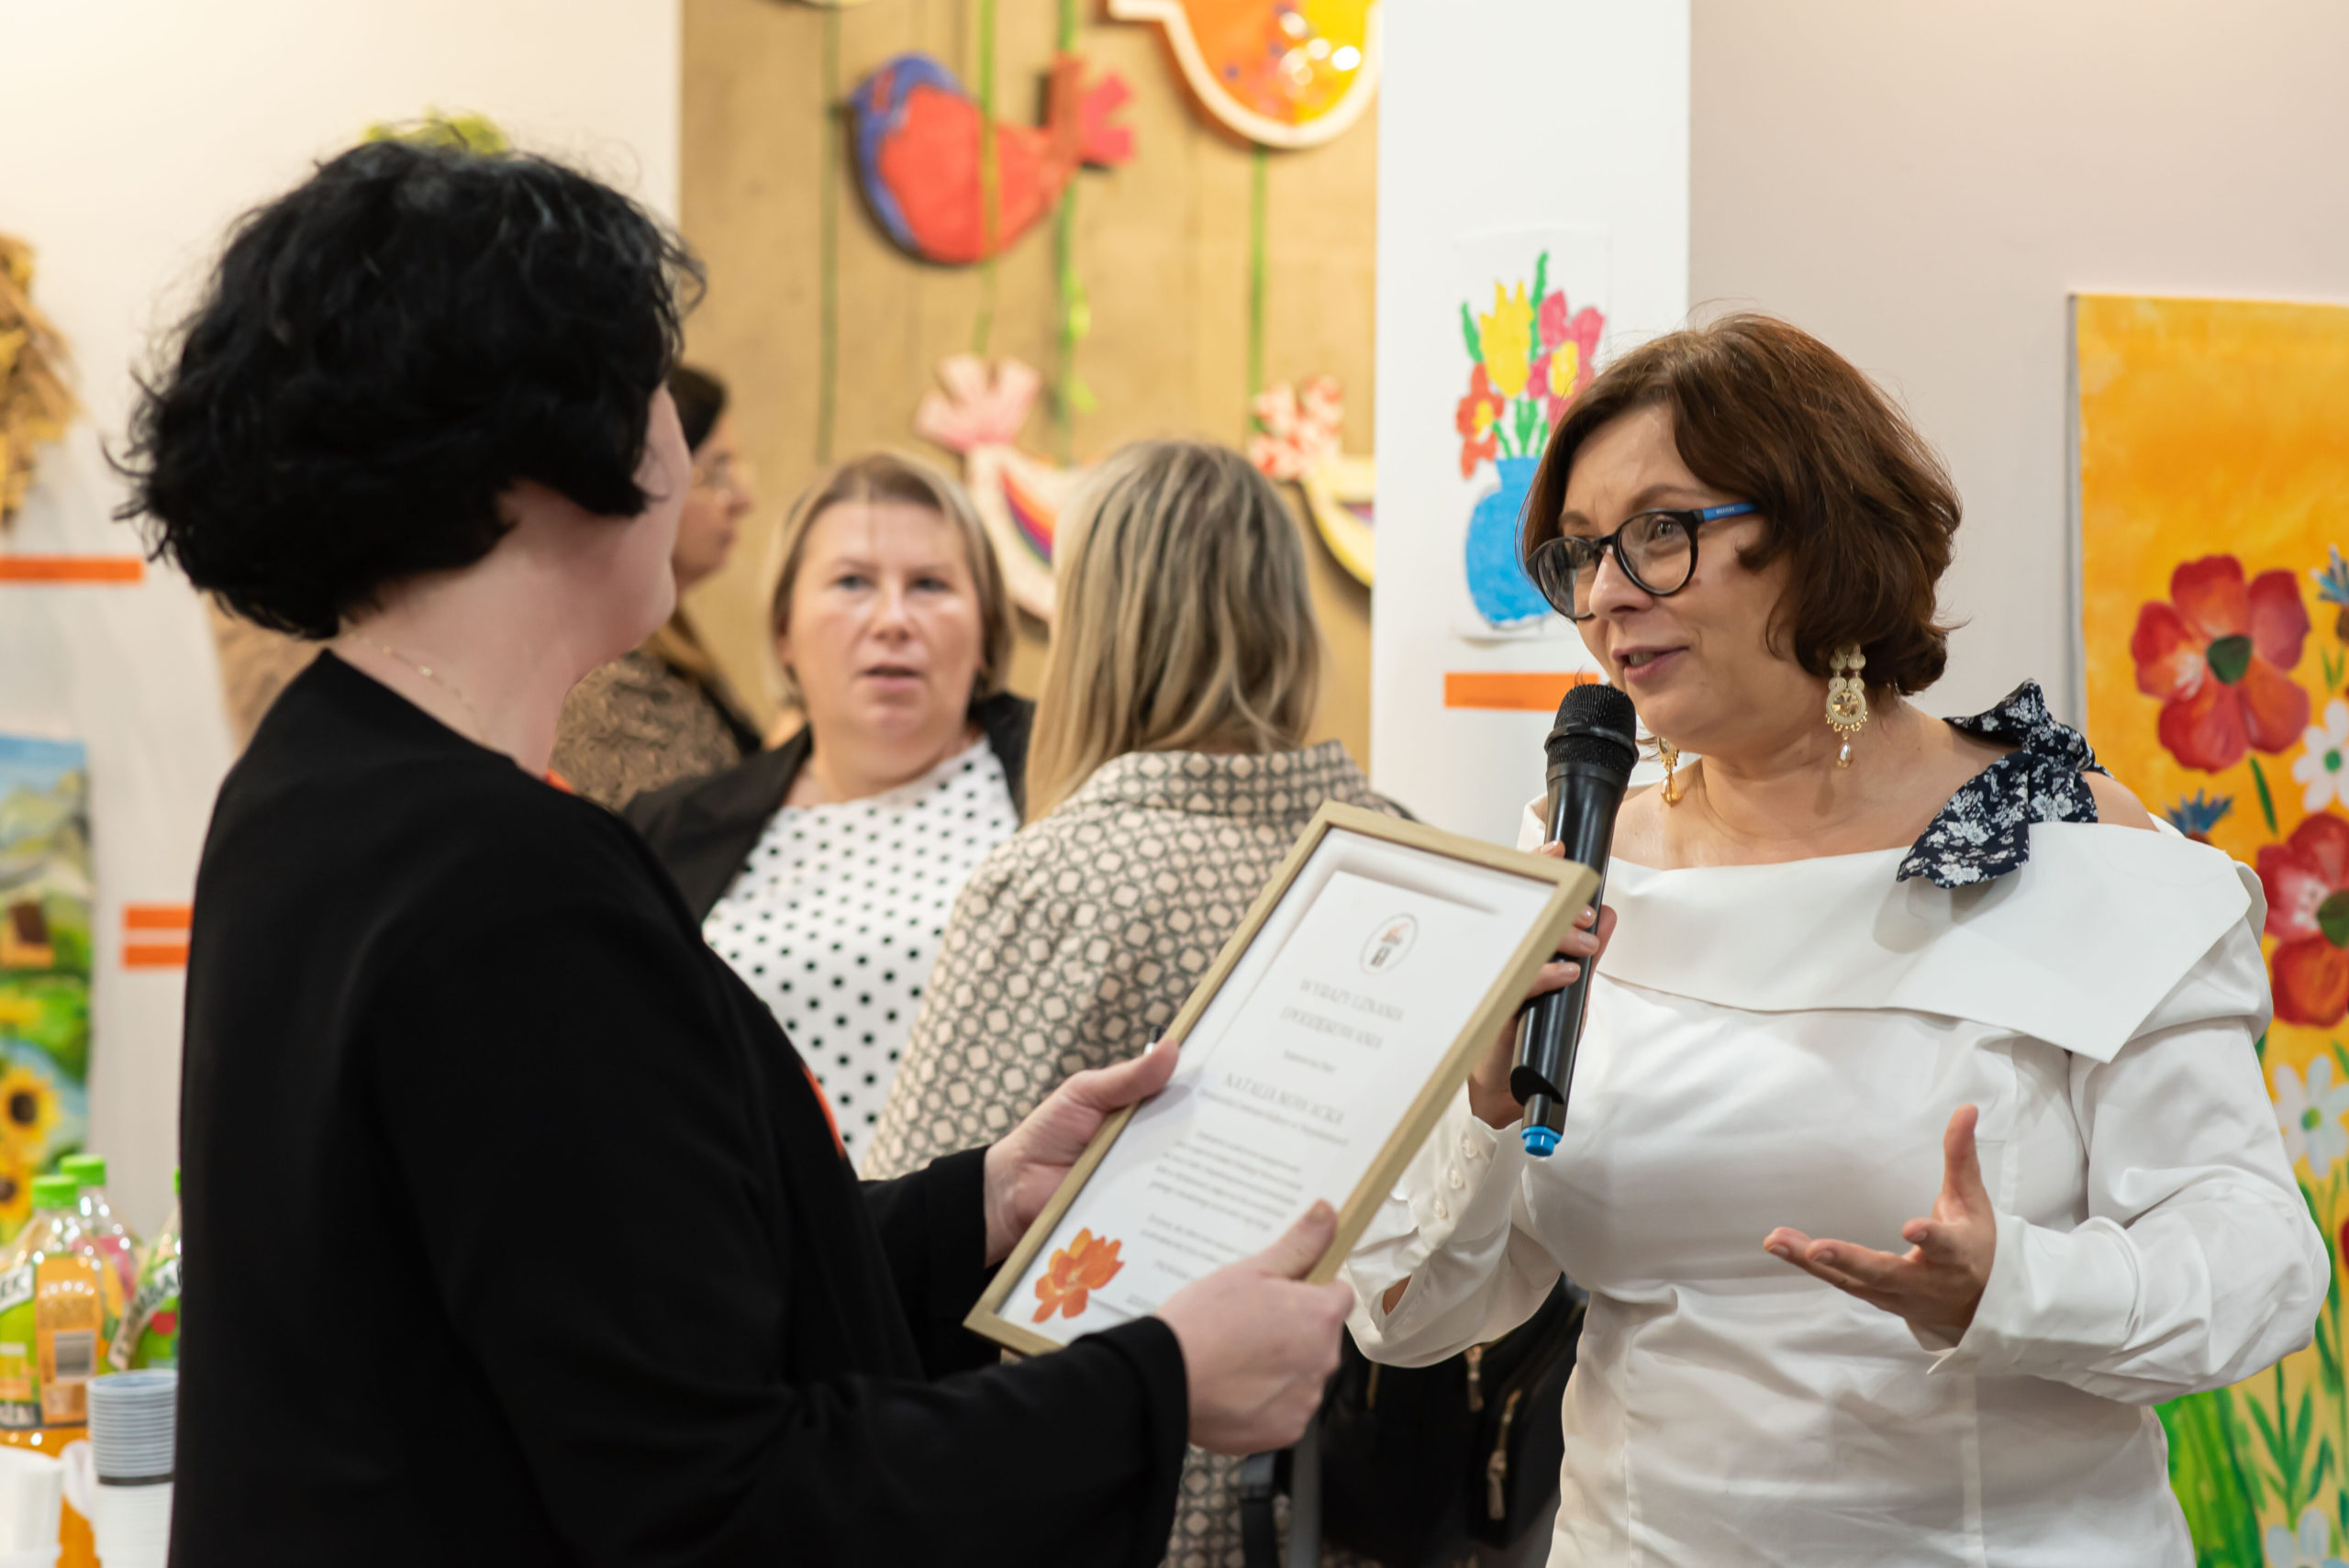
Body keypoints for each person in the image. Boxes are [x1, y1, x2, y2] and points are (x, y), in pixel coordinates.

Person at [126, 138, 1353, 1565]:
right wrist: (1160, 1382)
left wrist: (980, 1204)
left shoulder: (318, 783)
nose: (684, 445)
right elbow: (720, 1501)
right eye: (658, 389)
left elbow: (615, 1296)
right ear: (541, 449)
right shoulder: (504, 885)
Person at [1341, 313, 2328, 1565]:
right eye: (1579, 552)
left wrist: (2013, 1288)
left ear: (1818, 535)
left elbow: (2257, 1266)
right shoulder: (1573, 853)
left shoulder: (2071, 849)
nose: (1604, 597)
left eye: (1659, 533)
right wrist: (1482, 1113)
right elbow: (1409, 1316)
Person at [863, 439, 1406, 1568]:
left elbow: (902, 1239)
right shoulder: (1402, 857)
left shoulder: (1061, 879)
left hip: (1127, 1483)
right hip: (1357, 1488)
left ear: (1094, 626)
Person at [628, 451, 1029, 1162]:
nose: (893, 620)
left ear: (987, 629)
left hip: (1013, 1224)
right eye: (852, 582)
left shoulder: (1062, 782)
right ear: (785, 631)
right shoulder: (672, 829)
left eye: (930, 584)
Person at [551, 362, 763, 807]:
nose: (743, 501)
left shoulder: (668, 633)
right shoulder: (606, 677)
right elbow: (687, 830)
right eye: (717, 472)